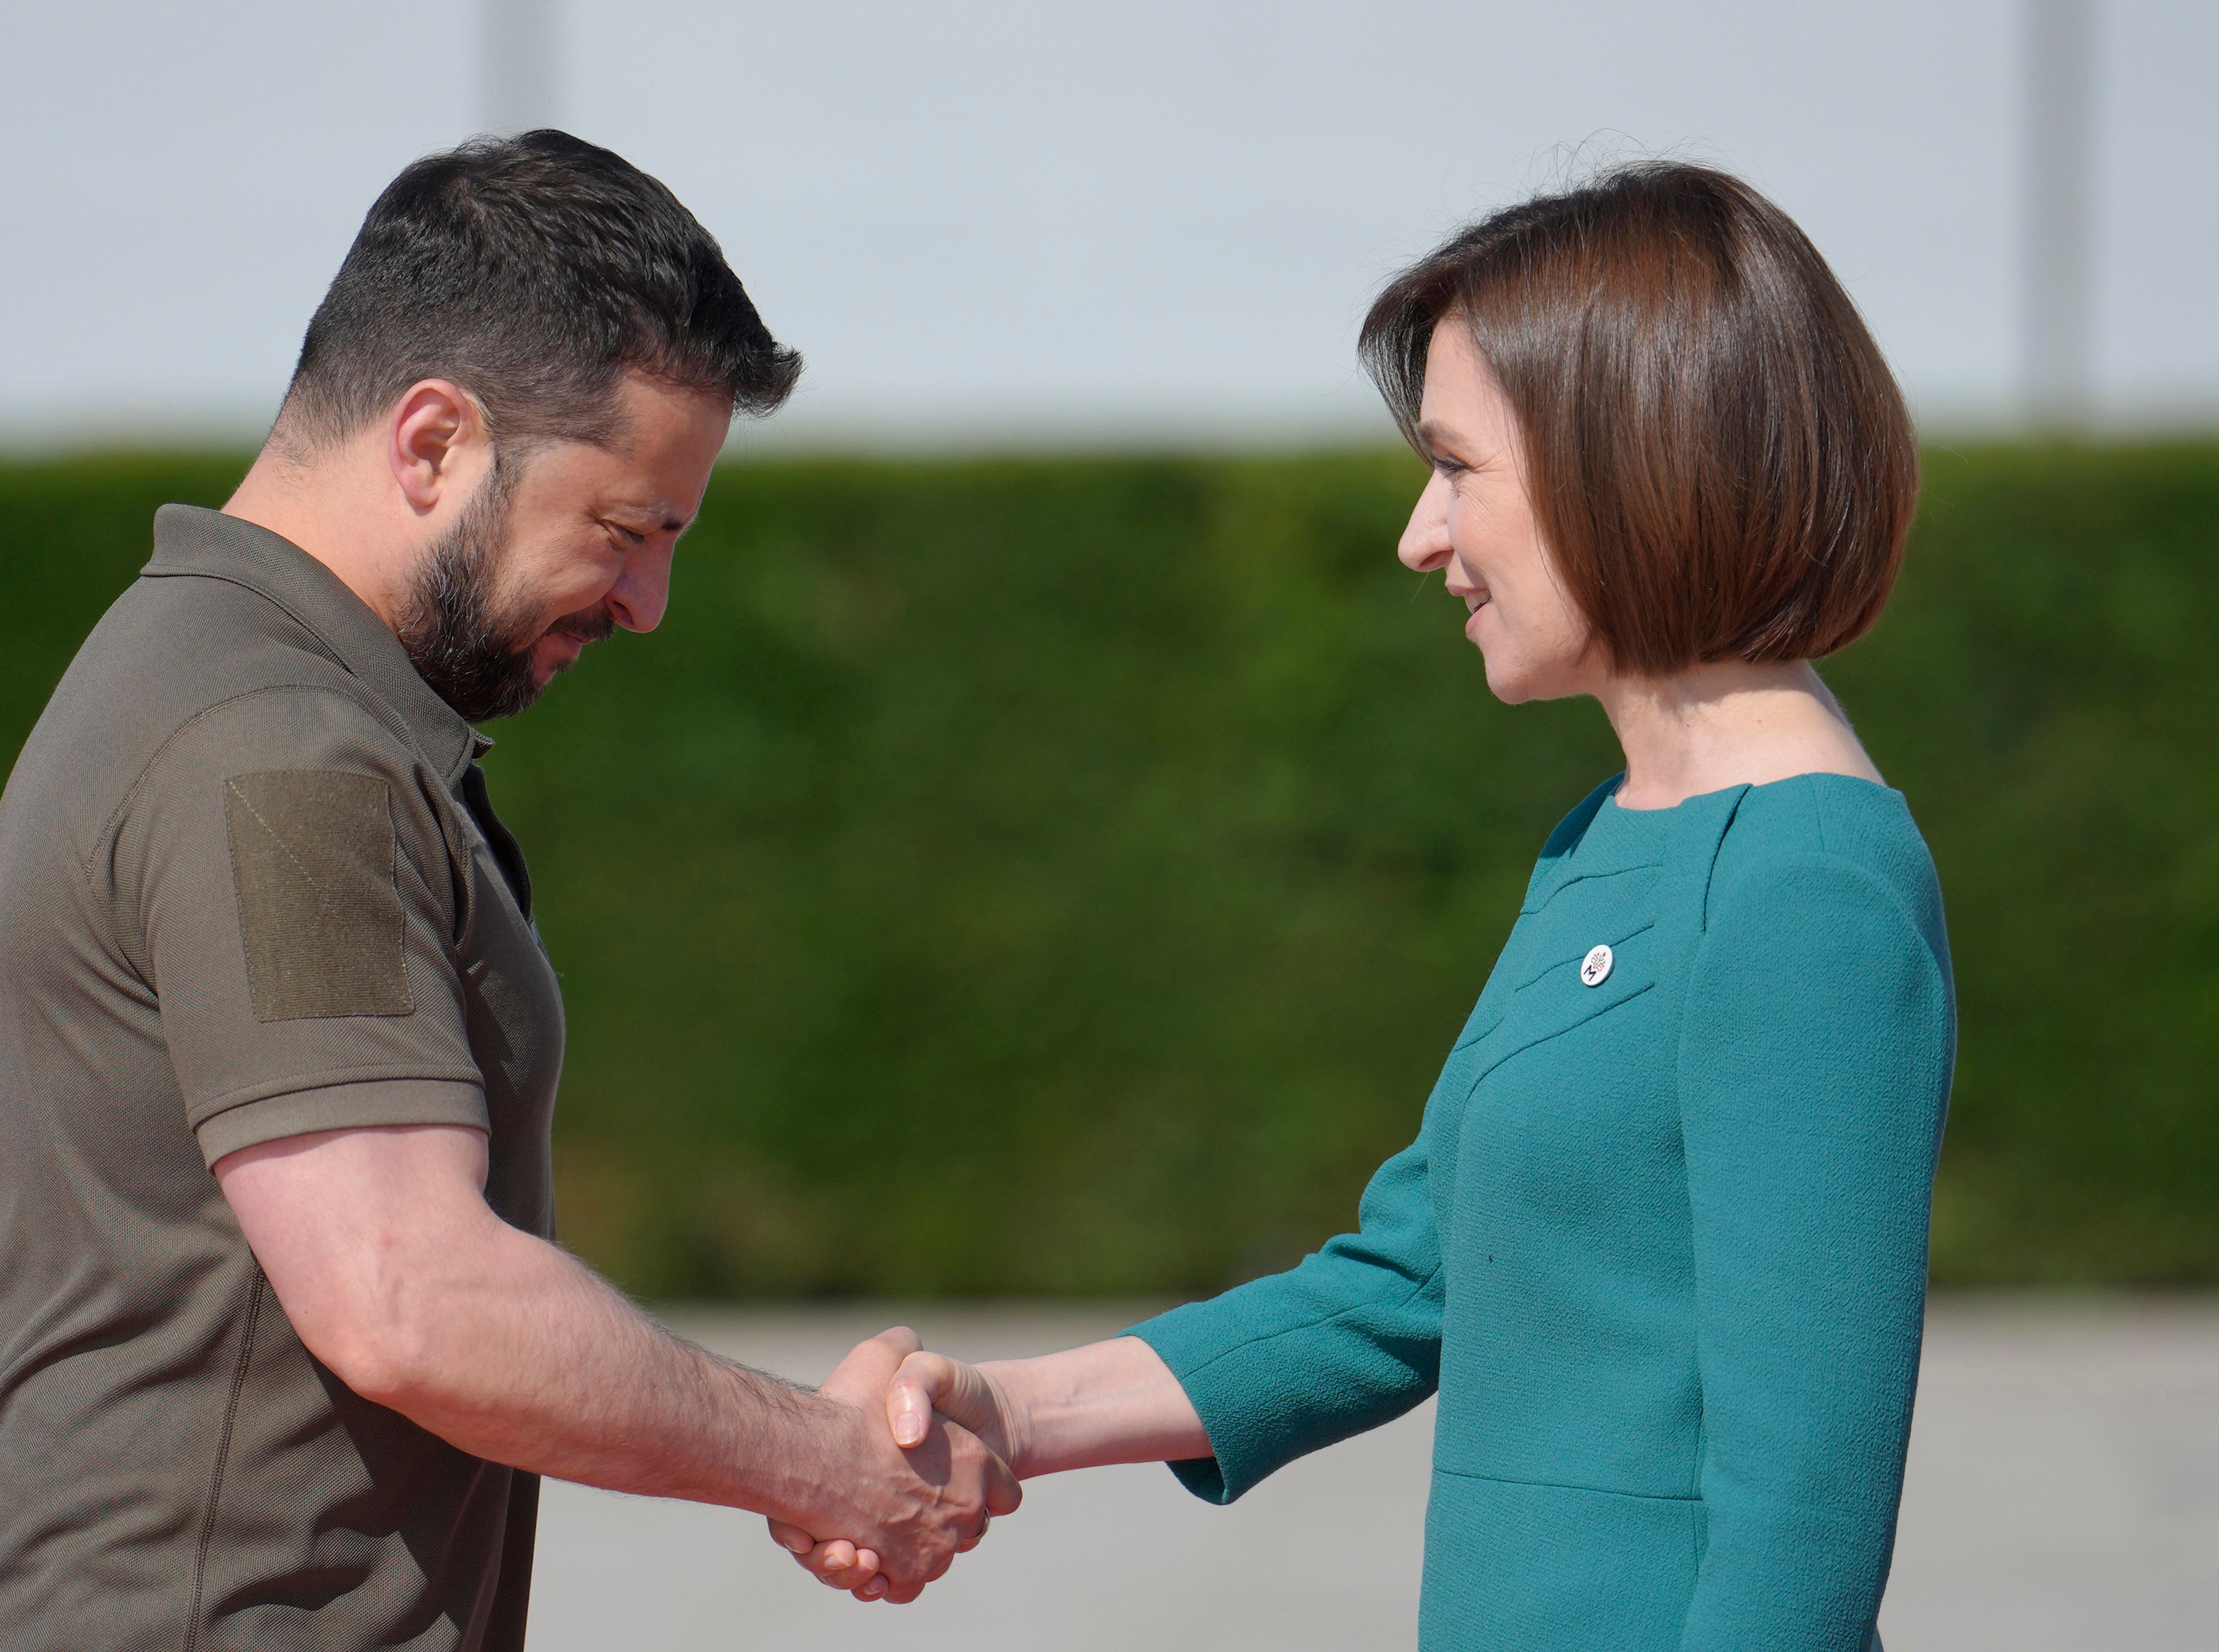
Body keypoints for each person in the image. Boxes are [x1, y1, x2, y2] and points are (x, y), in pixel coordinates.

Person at [774, 162, 1956, 1650]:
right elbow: (1405, 1279)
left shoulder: (1808, 887)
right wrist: (1002, 1408)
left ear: (1628, 457)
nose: (1420, 534)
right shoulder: (1611, 838)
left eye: (1458, 466)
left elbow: (1805, 1525)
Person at [0, 131, 1013, 1652]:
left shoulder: (222, 680)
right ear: (433, 439)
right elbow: (409, 1292)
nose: (648, 604)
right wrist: (824, 1460)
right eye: (626, 532)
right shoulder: (276, 754)